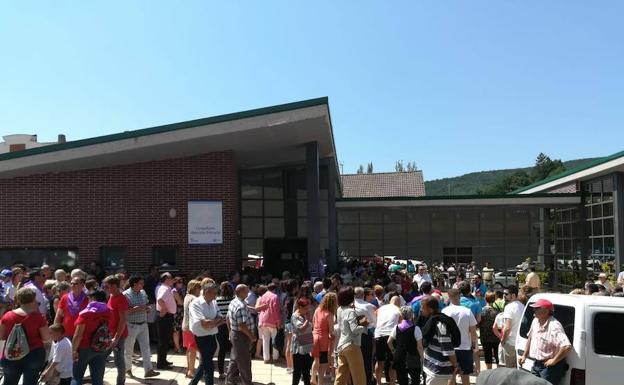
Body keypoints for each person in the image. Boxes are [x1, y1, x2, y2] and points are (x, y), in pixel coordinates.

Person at [0, 287, 51, 385]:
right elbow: (46, 338)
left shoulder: (7, 316)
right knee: (30, 382)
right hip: (34, 354)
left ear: (18, 299)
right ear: (33, 299)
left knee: (9, 381)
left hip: (11, 353)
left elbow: (1, 337)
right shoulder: (38, 317)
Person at [518, 299, 572, 385]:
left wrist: (554, 360)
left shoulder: (554, 326)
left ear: (546, 311)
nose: (533, 310)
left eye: (536, 308)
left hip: (549, 368)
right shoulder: (535, 321)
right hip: (537, 364)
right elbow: (530, 338)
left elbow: (567, 347)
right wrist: (524, 355)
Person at [188, 282, 226, 385]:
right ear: (207, 292)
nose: (216, 296)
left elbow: (220, 316)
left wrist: (213, 323)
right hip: (202, 338)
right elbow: (204, 324)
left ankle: (192, 383)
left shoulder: (213, 302)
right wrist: (216, 322)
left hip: (212, 336)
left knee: (205, 363)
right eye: (214, 293)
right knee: (209, 366)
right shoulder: (195, 303)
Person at [122, 275, 159, 378]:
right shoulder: (125, 295)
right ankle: (127, 369)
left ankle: (149, 370)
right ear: (134, 284)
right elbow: (124, 311)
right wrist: (137, 309)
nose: (143, 285)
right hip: (131, 325)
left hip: (143, 324)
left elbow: (146, 304)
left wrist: (147, 308)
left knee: (146, 348)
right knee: (129, 349)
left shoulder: (143, 292)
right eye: (141, 283)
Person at [71, 290, 111, 385]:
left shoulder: (86, 314)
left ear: (93, 299)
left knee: (76, 377)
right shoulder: (109, 311)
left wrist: (73, 350)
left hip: (83, 348)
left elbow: (78, 335)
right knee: (98, 379)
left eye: (89, 299)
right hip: (101, 347)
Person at [443, 289, 479, 385]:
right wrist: (474, 346)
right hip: (465, 348)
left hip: (449, 348)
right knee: (465, 376)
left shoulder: (444, 312)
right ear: (459, 296)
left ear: (449, 297)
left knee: (451, 375)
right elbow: (473, 332)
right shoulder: (467, 311)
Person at [421, 296, 459, 385]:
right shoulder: (431, 321)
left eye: (422, 307)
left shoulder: (440, 325)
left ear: (430, 309)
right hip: (431, 368)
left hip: (438, 372)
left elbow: (448, 349)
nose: (421, 310)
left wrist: (455, 365)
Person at [335, 286, 367, 385]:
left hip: (341, 345)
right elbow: (355, 330)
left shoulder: (339, 309)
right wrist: (364, 325)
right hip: (352, 345)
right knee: (359, 377)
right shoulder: (351, 312)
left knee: (341, 375)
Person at [226, 284, 257, 385]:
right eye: (247, 291)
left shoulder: (234, 302)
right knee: (244, 362)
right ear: (241, 292)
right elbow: (242, 325)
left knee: (235, 358)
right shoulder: (240, 306)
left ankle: (230, 380)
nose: (248, 293)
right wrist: (251, 336)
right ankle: (247, 382)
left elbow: (227, 319)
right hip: (241, 336)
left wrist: (230, 331)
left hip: (235, 334)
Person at [387, 306, 424, 385]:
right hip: (413, 358)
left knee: (402, 380)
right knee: (415, 380)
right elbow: (419, 347)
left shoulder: (396, 327)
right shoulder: (416, 328)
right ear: (411, 315)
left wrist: (394, 351)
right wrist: (422, 358)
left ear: (401, 315)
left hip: (399, 356)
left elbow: (389, 342)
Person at [103, 275, 129, 385]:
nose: (105, 288)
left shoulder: (121, 299)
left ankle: (121, 382)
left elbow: (123, 320)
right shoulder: (111, 296)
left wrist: (116, 338)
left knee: (119, 360)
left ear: (114, 286)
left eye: (107, 286)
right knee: (101, 357)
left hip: (119, 335)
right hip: (109, 334)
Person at [374, 295, 401, 385]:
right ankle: (392, 383)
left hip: (379, 335)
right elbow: (401, 325)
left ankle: (378, 382)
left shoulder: (381, 308)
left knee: (379, 361)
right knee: (392, 362)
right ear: (398, 303)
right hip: (391, 336)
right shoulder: (398, 310)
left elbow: (375, 317)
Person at [312, 292, 337, 385]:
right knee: (323, 364)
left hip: (314, 337)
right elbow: (331, 331)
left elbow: (313, 322)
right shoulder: (329, 314)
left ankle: (313, 377)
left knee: (316, 360)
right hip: (323, 341)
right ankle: (320, 382)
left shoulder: (317, 309)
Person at [354, 287, 377, 385]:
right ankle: (367, 381)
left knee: (354, 361)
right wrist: (364, 323)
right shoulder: (368, 306)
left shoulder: (348, 305)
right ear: (363, 295)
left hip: (351, 336)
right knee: (367, 360)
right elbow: (373, 322)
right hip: (364, 335)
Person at [255, 282, 282, 363]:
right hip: (272, 320)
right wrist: (278, 322)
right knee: (275, 339)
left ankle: (266, 358)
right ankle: (275, 357)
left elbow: (258, 308)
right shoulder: (275, 296)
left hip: (262, 320)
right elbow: (276, 310)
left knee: (265, 339)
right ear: (275, 289)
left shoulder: (263, 296)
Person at [291, 298, 314, 385]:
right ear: (300, 307)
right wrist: (308, 319)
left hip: (307, 346)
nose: (307, 310)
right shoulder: (295, 316)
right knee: (297, 371)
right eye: (306, 308)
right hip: (299, 347)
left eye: (308, 308)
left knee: (306, 371)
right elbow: (301, 329)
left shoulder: (304, 314)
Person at [500, 285, 524, 368]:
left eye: (506, 294)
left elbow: (507, 327)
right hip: (520, 343)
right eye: (503, 294)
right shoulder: (522, 306)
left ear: (513, 295)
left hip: (510, 343)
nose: (504, 296)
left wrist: (503, 340)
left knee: (508, 370)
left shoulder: (509, 307)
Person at [156, 272, 176, 369]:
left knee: (165, 340)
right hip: (165, 316)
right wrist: (164, 310)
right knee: (163, 340)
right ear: (166, 279)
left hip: (166, 316)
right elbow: (160, 300)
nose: (173, 280)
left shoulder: (165, 288)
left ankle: (163, 360)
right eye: (171, 278)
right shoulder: (165, 288)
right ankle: (161, 363)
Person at [182, 279, 201, 378]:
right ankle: (191, 371)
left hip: (185, 326)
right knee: (193, 349)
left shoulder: (187, 297)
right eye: (199, 287)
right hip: (191, 327)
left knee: (189, 349)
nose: (200, 290)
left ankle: (189, 369)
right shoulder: (194, 298)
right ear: (195, 288)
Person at [215, 281, 234, 379]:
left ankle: (221, 373)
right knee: (234, 350)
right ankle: (234, 372)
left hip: (221, 327)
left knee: (222, 350)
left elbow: (216, 315)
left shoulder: (217, 300)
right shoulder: (234, 300)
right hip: (233, 327)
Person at [480, 292, 500, 369]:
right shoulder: (497, 312)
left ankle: (489, 373)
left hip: (485, 338)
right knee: (498, 356)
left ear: (485, 299)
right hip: (496, 337)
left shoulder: (481, 312)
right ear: (494, 299)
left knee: (487, 356)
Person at [171, 277, 185, 354]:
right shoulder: (174, 291)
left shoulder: (180, 291)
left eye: (182, 282)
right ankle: (177, 347)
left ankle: (176, 347)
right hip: (176, 313)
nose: (181, 284)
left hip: (180, 312)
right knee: (176, 331)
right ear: (175, 283)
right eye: (179, 282)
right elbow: (180, 302)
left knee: (178, 331)